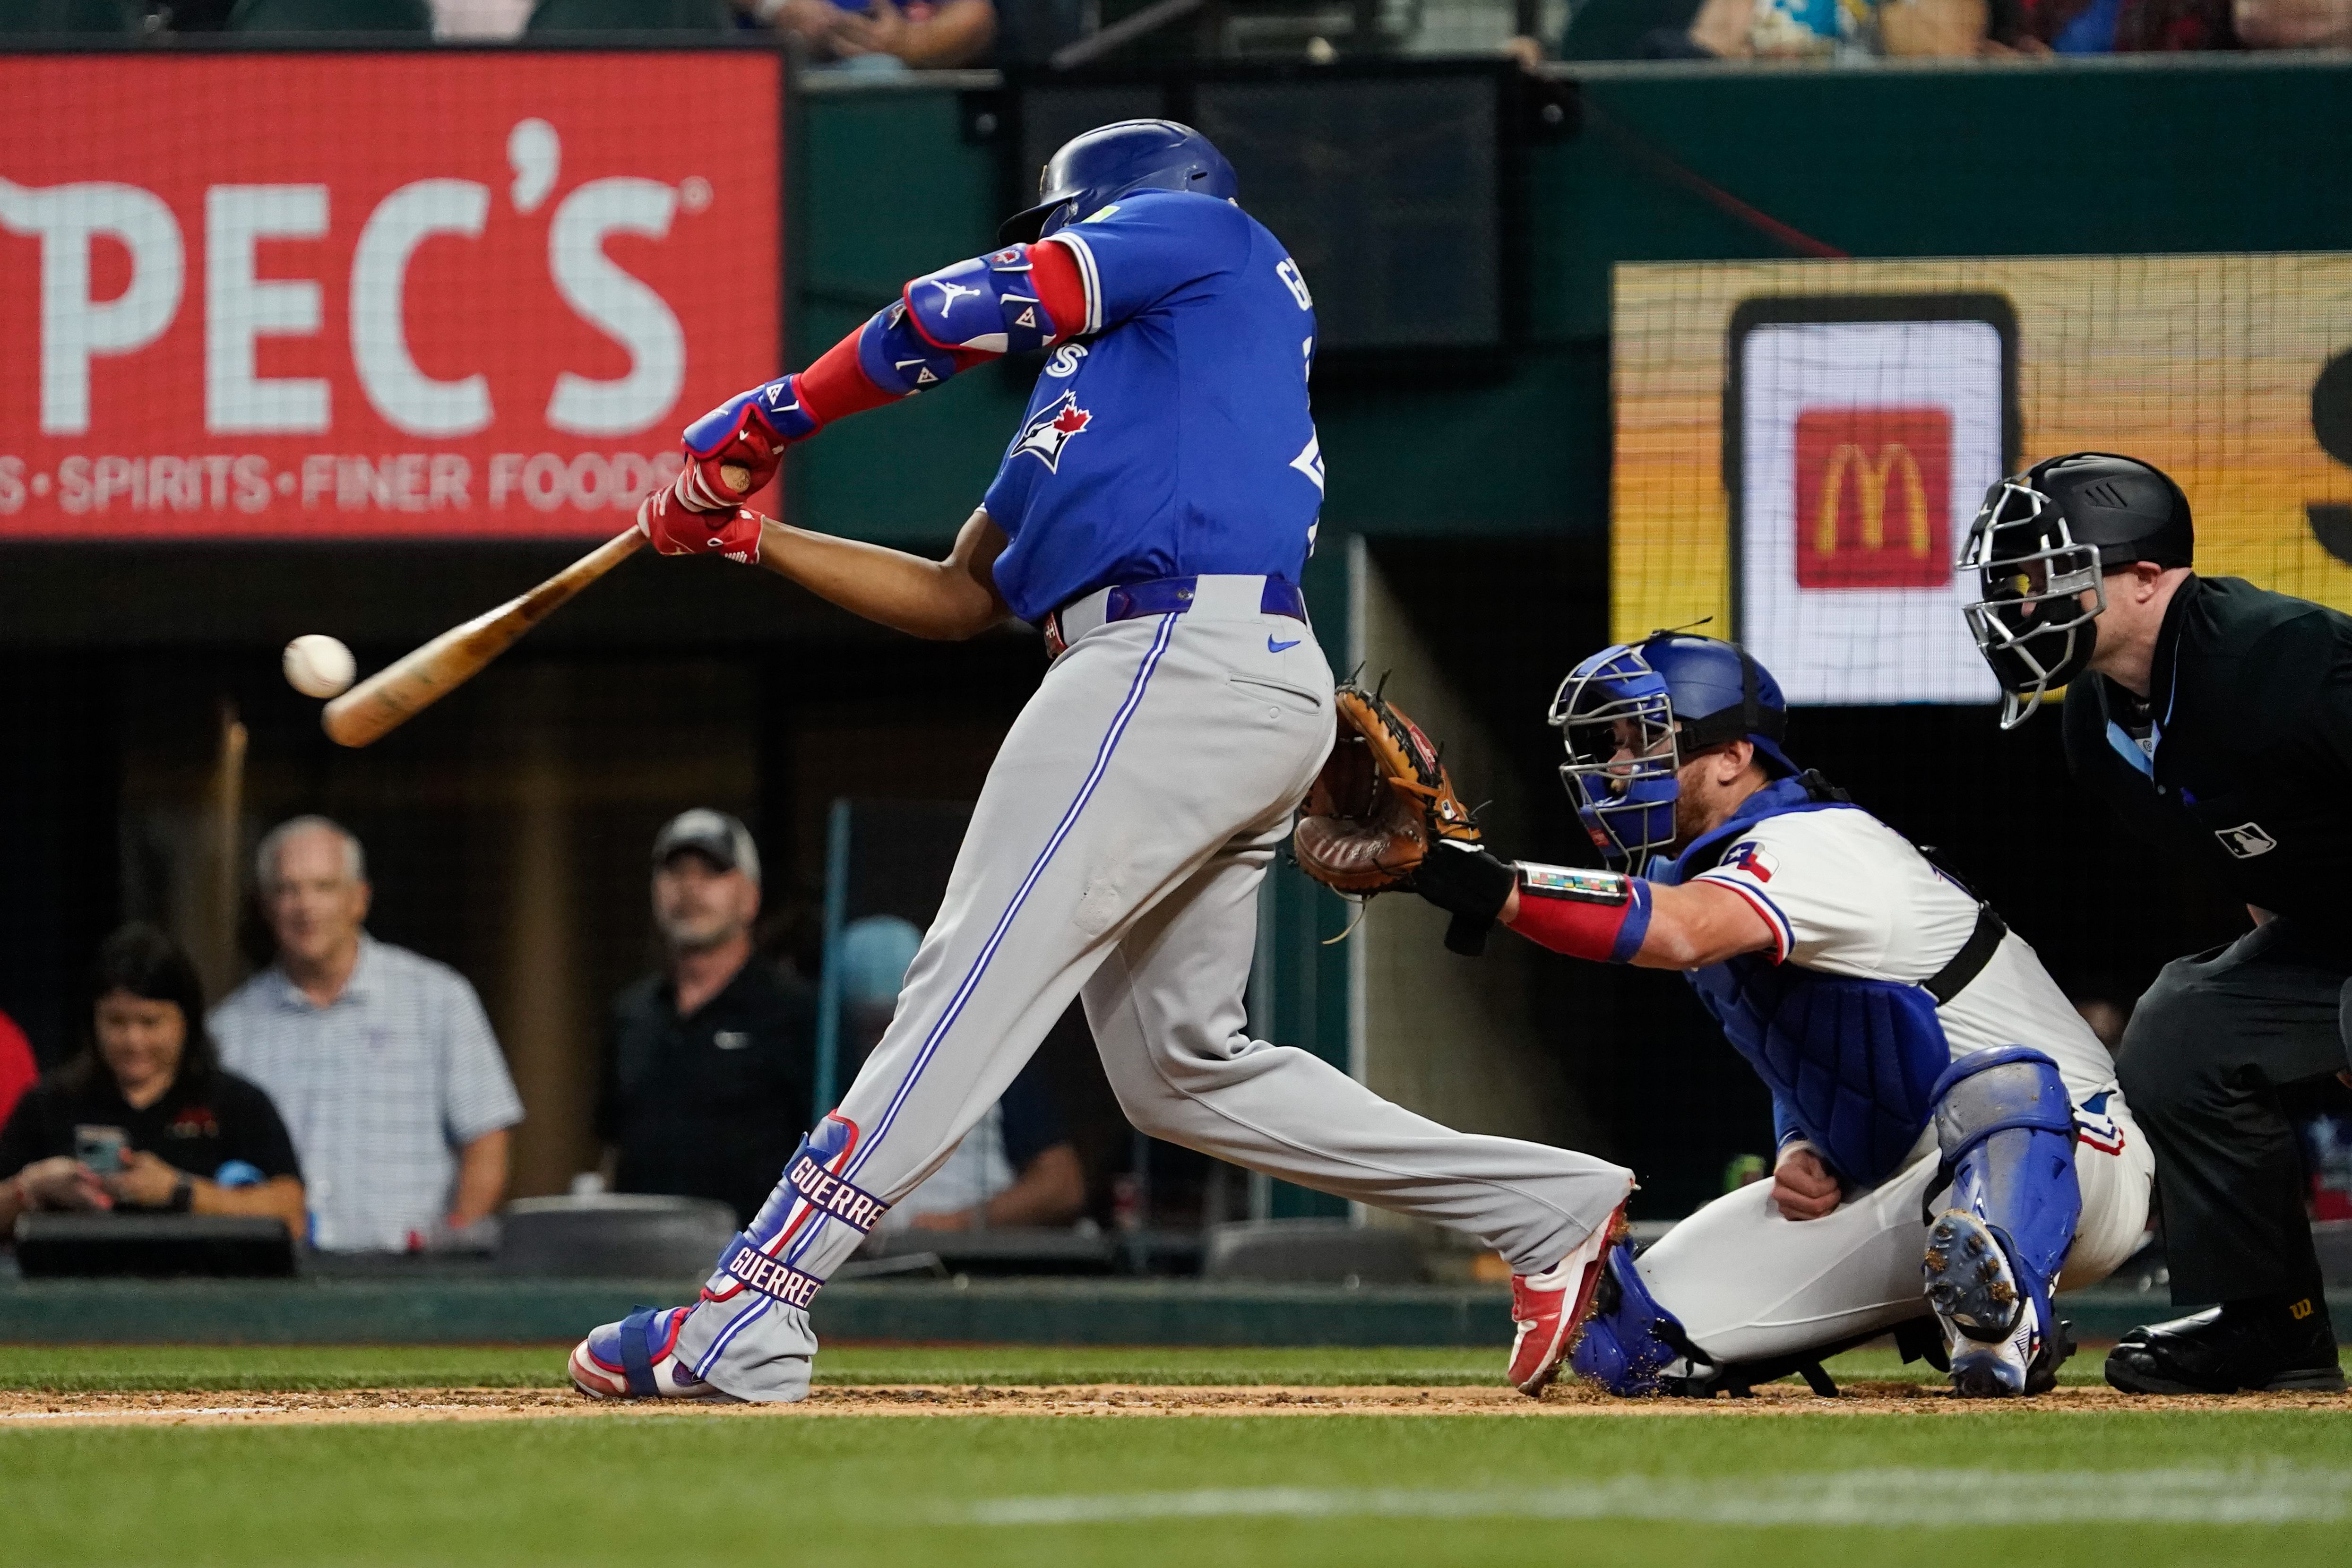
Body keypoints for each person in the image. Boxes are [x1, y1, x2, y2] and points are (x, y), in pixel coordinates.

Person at [569, 120, 1634, 1404]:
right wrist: (748, 536)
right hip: (1202, 671)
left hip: (1168, 655)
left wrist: (771, 413)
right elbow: (963, 596)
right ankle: (1547, 1203)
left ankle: (753, 1303)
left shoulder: (1203, 233)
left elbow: (951, 308)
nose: (1057, 252)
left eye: (1069, 228)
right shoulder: (1104, 391)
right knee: (1182, 1066)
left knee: (969, 973)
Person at [1405, 634, 2154, 1398]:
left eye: (1646, 737)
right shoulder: (1704, 865)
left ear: (1731, 755)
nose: (1621, 765)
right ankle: (1964, 1294)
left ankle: (2003, 1325)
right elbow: (1811, 1036)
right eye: (1616, 743)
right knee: (1630, 1345)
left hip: (2074, 1157)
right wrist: (1801, 1141)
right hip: (1908, 1178)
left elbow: (1677, 929)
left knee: (2008, 1083)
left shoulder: (1811, 841)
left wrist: (1491, 884)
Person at [1960, 453, 2352, 1395]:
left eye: (2047, 578)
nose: (2019, 607)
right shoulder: (2094, 725)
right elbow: (2260, 873)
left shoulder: (2285, 656)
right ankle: (2269, 1325)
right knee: (2186, 1024)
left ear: (2146, 577)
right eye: (2010, 585)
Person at [211, 816, 524, 1253]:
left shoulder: (438, 999)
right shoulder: (228, 1031)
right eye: (288, 890)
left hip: (412, 1283)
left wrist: (454, 1242)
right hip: (279, 1284)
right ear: (265, 906)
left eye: (324, 887)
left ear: (359, 900)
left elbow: (486, 1141)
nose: (305, 907)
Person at [0, 925, 304, 1238]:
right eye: (117, 1022)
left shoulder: (237, 1104)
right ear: (93, 1021)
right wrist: (31, 1188)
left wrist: (181, 1192)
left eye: (151, 1022)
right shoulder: (49, 1104)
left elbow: (291, 1214)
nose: (134, 1042)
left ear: (185, 1020)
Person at [597, 810, 817, 1226]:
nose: (690, 888)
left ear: (750, 897)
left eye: (711, 873)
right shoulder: (631, 1013)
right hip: (642, 1270)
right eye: (675, 872)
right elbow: (612, 1149)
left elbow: (832, 1157)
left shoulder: (796, 1012)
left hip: (753, 1270)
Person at [838, 915, 1085, 1236]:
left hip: (976, 1256)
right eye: (871, 1028)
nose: (884, 1039)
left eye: (898, 1021)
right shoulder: (835, 1068)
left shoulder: (991, 1061)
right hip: (868, 1263)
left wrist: (962, 1223)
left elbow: (1062, 1186)